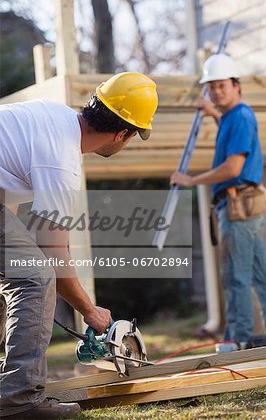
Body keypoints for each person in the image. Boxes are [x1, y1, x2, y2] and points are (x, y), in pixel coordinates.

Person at [0, 72, 158, 419]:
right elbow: (53, 251)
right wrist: (89, 310)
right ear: (122, 134)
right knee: (35, 277)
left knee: (18, 273)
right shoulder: (62, 159)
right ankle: (18, 402)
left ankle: (8, 387)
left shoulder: (53, 119)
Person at [171, 54, 266, 351]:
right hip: (246, 204)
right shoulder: (231, 117)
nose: (217, 91)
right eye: (211, 87)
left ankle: (236, 338)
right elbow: (228, 126)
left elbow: (232, 168)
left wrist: (191, 180)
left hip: (239, 205)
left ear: (236, 86)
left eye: (222, 85)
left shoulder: (239, 116)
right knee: (260, 275)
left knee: (236, 275)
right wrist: (211, 111)